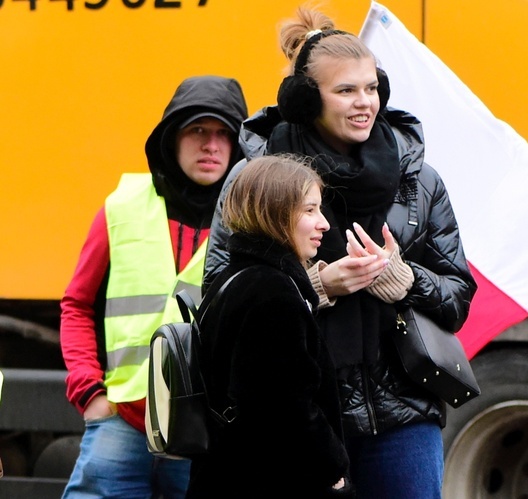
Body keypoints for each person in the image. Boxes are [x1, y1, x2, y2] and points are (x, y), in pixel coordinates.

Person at [203, 6, 477, 498]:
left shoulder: (420, 179)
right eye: (346, 90)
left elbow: (458, 299)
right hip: (299, 417)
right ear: (307, 100)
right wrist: (315, 288)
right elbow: (219, 301)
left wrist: (405, 280)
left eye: (371, 88)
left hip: (402, 416)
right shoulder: (255, 180)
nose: (364, 103)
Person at [60, 75, 248, 498]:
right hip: (122, 423)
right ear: (171, 138)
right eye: (198, 130)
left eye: (223, 133)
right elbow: (77, 305)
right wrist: (88, 391)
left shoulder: (250, 222)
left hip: (207, 434)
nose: (211, 145)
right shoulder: (122, 206)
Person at [186, 153, 354, 498]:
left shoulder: (236, 278)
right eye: (309, 210)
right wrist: (334, 471)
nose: (323, 223)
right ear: (274, 213)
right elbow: (286, 409)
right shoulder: (272, 292)